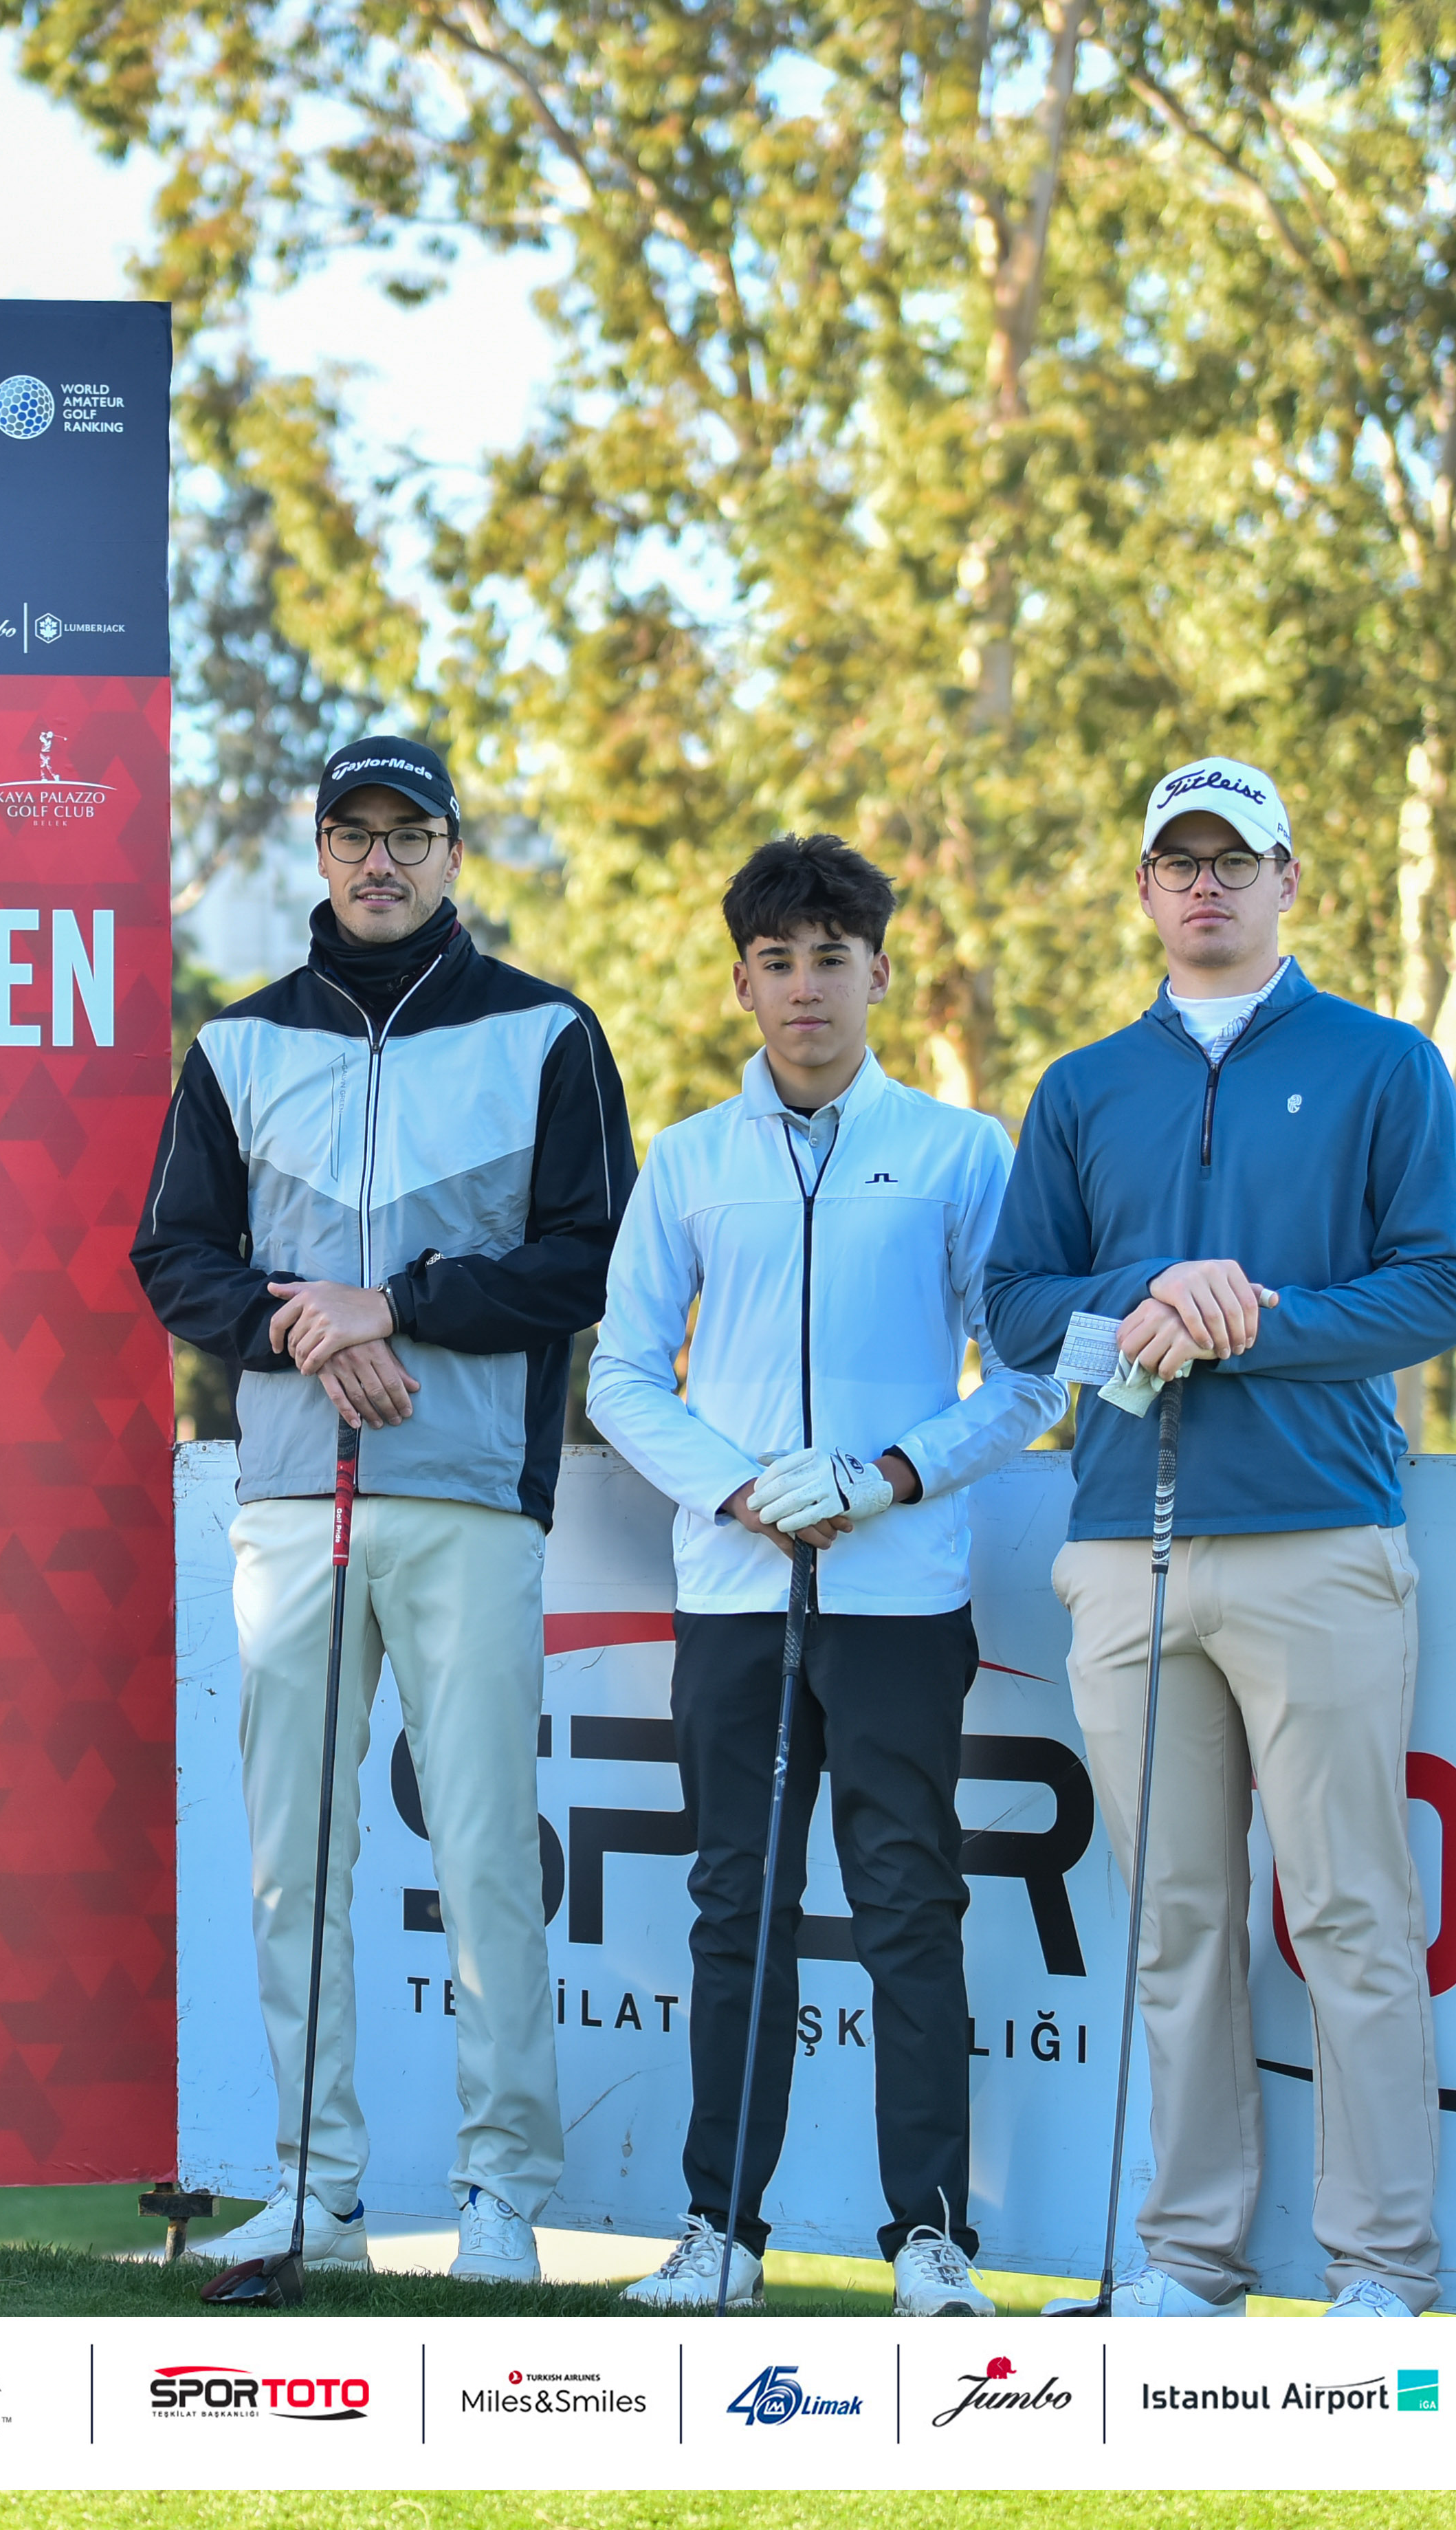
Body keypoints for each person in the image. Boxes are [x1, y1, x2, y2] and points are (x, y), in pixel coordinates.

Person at [978, 756, 1456, 2317]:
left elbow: (1441, 1287)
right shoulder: (1082, 1088)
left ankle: (1381, 2269)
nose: (1207, 884)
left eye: (1235, 859)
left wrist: (1249, 1317)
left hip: (1318, 1539)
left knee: (1348, 1914)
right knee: (1174, 1923)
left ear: (1287, 881)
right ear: (1145, 887)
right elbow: (1014, 1307)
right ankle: (1190, 2262)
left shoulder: (1386, 1064)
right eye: (1179, 861)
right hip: (1121, 1549)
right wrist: (1141, 1298)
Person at [132, 733, 634, 2285]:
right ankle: (314, 2191)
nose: (380, 861)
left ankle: (504, 2193)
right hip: (294, 1499)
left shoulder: (547, 1032)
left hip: (471, 1496)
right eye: (353, 835)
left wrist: (394, 1305)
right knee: (295, 1860)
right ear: (321, 853)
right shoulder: (237, 1045)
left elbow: (586, 1258)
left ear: (453, 855)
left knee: (486, 1853)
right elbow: (174, 1259)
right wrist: (308, 1326)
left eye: (409, 834)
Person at [586, 835, 1065, 2316]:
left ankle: (929, 2239)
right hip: (735, 1598)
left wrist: (891, 1476)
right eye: (778, 961)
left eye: (832, 959)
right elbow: (621, 1375)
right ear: (742, 983)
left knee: (911, 1907)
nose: (807, 987)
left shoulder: (960, 1152)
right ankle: (721, 2234)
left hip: (899, 1597)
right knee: (737, 1910)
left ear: (879, 973)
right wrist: (739, 1489)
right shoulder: (689, 1160)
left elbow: (1029, 1374)